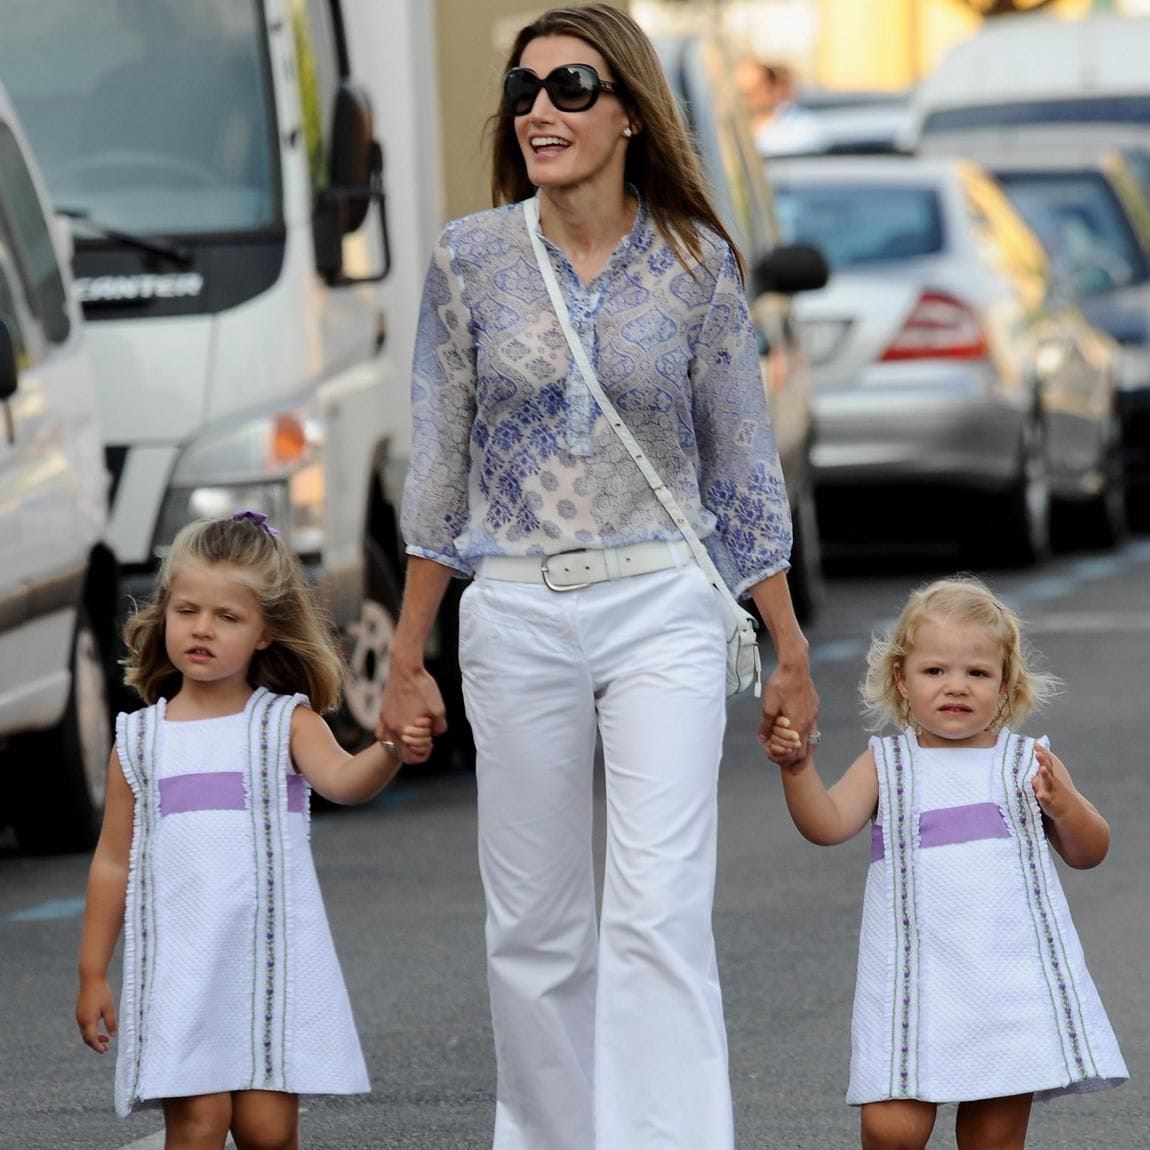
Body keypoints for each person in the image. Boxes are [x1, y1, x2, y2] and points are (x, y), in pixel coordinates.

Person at [381, 6, 818, 1147]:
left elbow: (740, 462)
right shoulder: (470, 256)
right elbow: (438, 462)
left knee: (657, 911)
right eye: (524, 91)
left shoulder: (696, 263)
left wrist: (788, 645)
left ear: (627, 111)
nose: (539, 110)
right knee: (533, 927)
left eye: (571, 88)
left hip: (663, 604)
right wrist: (404, 652)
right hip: (514, 604)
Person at [75, 511, 432, 1149]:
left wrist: (388, 749)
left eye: (228, 617)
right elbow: (111, 861)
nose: (202, 630)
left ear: (266, 631)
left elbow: (345, 782)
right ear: (164, 613)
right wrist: (92, 971)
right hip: (180, 968)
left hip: (268, 965)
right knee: (199, 1124)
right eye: (187, 611)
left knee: (268, 1130)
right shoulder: (139, 740)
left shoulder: (283, 724)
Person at [768, 576, 1127, 1150]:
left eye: (977, 673)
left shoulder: (1026, 762)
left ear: (1005, 685)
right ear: (901, 681)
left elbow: (1090, 852)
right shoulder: (887, 764)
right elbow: (827, 824)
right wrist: (796, 770)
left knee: (992, 1136)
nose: (955, 686)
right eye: (935, 671)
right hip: (914, 981)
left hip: (1008, 984)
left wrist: (1068, 806)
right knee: (891, 1128)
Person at [734, 57, 822, 157]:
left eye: (754, 90)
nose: (749, 99)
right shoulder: (732, 129)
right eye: (745, 93)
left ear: (770, 87)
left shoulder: (804, 127)